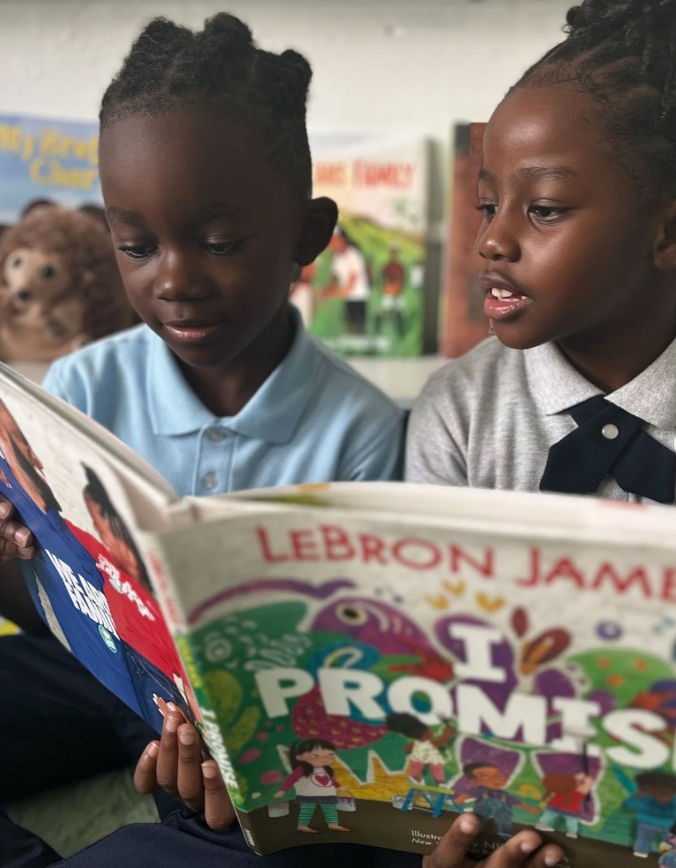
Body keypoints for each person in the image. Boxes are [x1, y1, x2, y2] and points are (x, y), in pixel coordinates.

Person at [0, 11, 563, 868]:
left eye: (220, 243)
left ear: (308, 234)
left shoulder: (368, 434)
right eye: (135, 246)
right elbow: (48, 611)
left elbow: (353, 687)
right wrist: (16, 562)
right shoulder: (81, 386)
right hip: (102, 674)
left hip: (247, 754)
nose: (175, 279)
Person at [406, 0, 676, 508]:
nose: (490, 241)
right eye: (488, 205)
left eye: (545, 209)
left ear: (667, 234)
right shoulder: (459, 412)